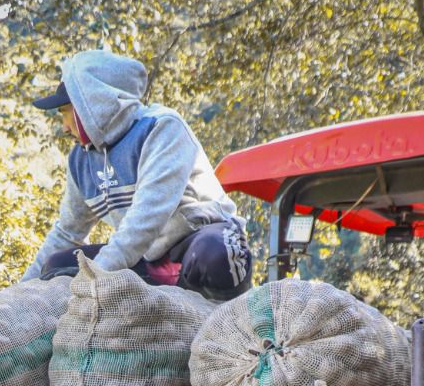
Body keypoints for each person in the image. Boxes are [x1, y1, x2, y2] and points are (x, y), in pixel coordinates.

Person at [22, 49, 252, 300]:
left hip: (197, 249)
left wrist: (96, 278)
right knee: (56, 267)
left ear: (91, 104)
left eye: (66, 112)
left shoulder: (160, 127)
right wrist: (18, 293)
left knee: (215, 254)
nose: (65, 126)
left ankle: (217, 322)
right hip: (148, 263)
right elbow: (67, 233)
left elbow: (147, 217)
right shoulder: (81, 159)